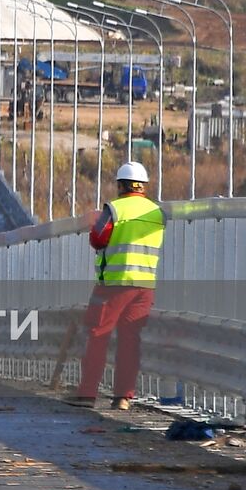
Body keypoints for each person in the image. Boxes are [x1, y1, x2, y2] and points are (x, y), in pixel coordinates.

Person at [67, 161, 165, 410]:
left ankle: (87, 394)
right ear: (143, 186)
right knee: (130, 340)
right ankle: (123, 397)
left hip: (113, 283)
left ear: (121, 185)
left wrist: (95, 223)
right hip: (145, 286)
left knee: (97, 335)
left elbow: (98, 239)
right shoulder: (157, 212)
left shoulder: (114, 209)